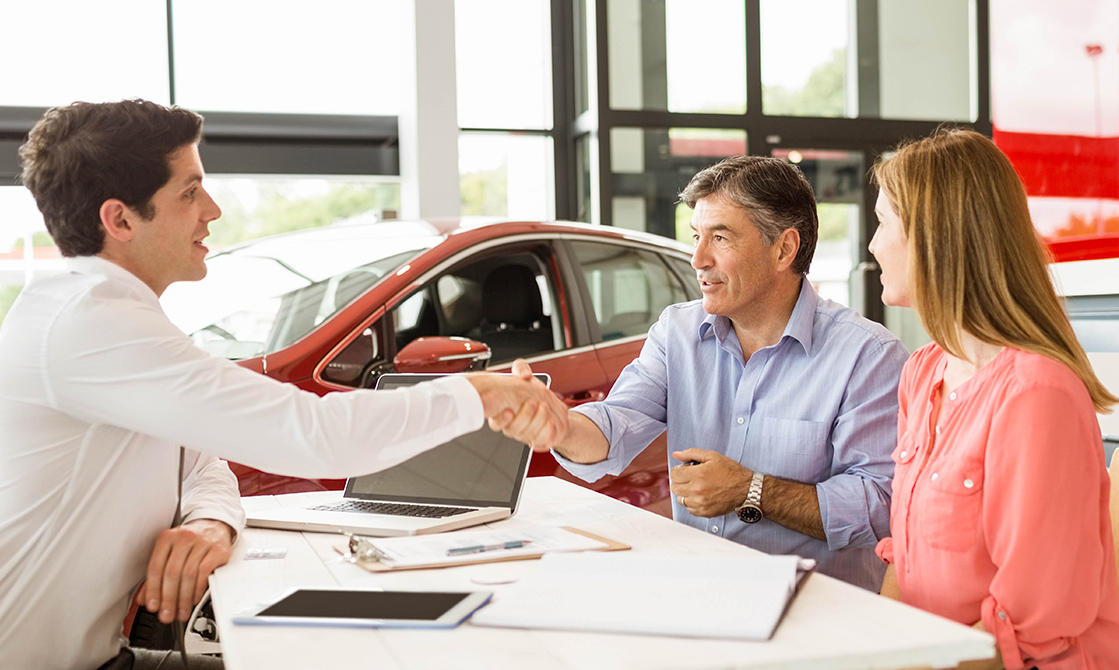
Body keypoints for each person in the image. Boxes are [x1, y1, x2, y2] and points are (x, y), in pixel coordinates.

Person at [0, 99, 568, 670]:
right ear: (120, 220)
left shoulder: (104, 317)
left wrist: (210, 521)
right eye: (190, 192)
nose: (213, 210)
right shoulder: (90, 325)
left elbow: (202, 465)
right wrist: (481, 393)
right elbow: (315, 436)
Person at [501, 155, 909, 591]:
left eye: (720, 237)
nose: (697, 258)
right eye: (696, 236)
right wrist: (558, 423)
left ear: (784, 249)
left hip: (819, 615)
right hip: (699, 593)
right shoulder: (676, 332)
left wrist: (753, 491)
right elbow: (616, 425)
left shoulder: (868, 356)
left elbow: (879, 505)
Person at [869, 128, 1119, 669]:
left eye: (882, 222)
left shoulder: (1037, 393)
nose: (871, 245)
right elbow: (905, 558)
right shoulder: (924, 369)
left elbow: (1028, 626)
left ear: (932, 237)